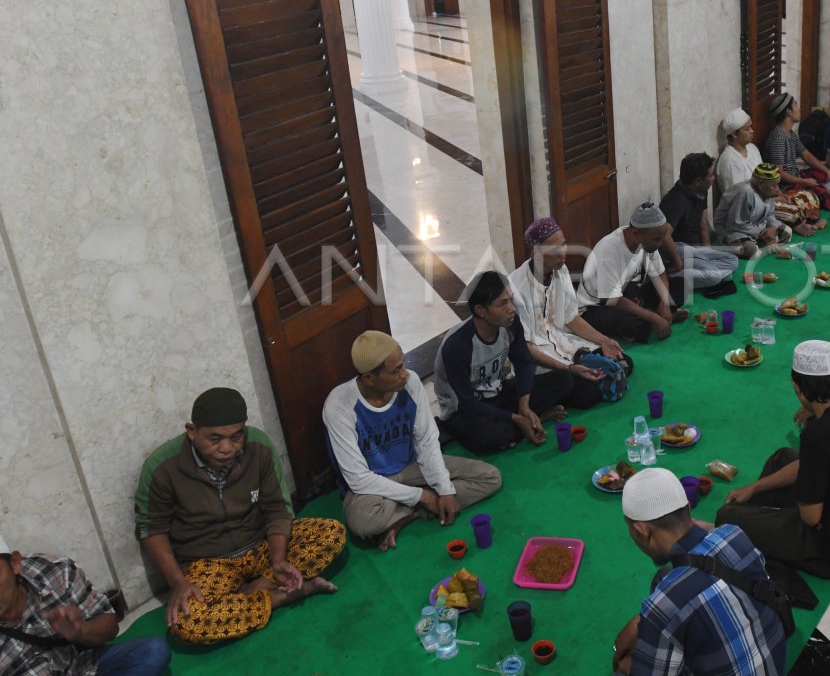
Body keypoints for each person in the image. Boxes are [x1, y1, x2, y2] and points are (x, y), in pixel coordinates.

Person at [136, 388, 345, 644]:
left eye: (236, 437)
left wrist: (278, 559)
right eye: (215, 438)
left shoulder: (259, 446)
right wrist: (178, 583)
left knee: (332, 532)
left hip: (262, 547)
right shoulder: (162, 467)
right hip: (210, 563)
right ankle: (282, 596)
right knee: (188, 622)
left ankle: (253, 590)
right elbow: (152, 530)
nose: (226, 448)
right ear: (192, 432)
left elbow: (277, 508)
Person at [715, 341, 830, 578]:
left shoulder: (818, 434)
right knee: (782, 458)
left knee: (727, 517)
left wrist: (805, 503)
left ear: (797, 387)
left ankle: (754, 526)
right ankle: (760, 519)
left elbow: (810, 517)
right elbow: (808, 465)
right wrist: (755, 487)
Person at [323, 331, 502, 551]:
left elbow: (427, 441)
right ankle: (424, 507)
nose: (405, 374)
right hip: (373, 485)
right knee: (363, 524)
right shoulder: (339, 405)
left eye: (403, 363)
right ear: (369, 378)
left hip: (412, 468)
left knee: (489, 477)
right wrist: (423, 496)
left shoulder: (411, 383)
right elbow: (358, 478)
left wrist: (444, 490)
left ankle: (407, 516)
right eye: (396, 370)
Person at [611, 469, 787, 676]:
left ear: (642, 530)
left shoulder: (663, 606)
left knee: (625, 669)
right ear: (687, 508)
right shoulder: (734, 534)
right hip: (775, 663)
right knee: (665, 577)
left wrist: (625, 659)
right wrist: (641, 621)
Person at [434, 271, 573, 453]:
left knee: (564, 379)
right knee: (489, 436)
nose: (512, 309)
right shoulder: (456, 346)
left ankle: (525, 421)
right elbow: (465, 403)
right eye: (503, 303)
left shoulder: (509, 324)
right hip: (466, 410)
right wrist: (516, 418)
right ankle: (534, 420)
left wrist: (523, 406)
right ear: (480, 310)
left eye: (511, 300)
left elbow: (524, 362)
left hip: (499, 395)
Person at [0, 532, 170, 676]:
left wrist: (80, 630)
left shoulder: (52, 570)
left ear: (14, 563)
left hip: (84, 667)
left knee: (154, 651)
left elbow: (110, 626)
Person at [509, 217, 632, 408]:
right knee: (588, 393)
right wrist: (569, 368)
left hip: (566, 345)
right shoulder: (517, 289)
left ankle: (584, 367)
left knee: (623, 361)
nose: (563, 253)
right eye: (555, 248)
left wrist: (604, 341)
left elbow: (571, 318)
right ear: (536, 254)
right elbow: (525, 348)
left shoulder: (561, 270)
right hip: (541, 361)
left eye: (564, 245)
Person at [577, 203, 689, 342]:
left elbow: (660, 274)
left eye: (662, 238)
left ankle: (654, 313)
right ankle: (650, 316)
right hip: (597, 306)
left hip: (627, 292)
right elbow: (613, 300)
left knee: (681, 286)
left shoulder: (649, 242)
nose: (661, 244)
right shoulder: (609, 251)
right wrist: (653, 317)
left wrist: (664, 304)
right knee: (633, 326)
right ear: (636, 234)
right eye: (657, 239)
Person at [659, 153, 742, 297]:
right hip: (677, 248)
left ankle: (702, 275)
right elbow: (664, 236)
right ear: (698, 181)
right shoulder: (675, 200)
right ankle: (670, 277)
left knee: (732, 261)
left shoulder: (701, 191)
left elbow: (703, 224)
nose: (713, 178)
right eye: (710, 176)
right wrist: (677, 262)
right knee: (714, 276)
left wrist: (708, 252)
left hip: (693, 250)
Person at [761, 92, 830, 207]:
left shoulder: (790, 134)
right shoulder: (778, 138)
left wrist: (827, 170)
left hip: (796, 177)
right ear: (788, 112)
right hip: (787, 186)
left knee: (826, 172)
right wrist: (804, 182)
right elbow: (779, 174)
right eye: (796, 105)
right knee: (823, 197)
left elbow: (806, 155)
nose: (799, 109)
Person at [714, 163, 790, 259]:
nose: (777, 189)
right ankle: (761, 244)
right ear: (762, 185)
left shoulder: (766, 190)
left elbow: (770, 214)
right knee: (751, 250)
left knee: (787, 232)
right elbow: (737, 225)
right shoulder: (745, 192)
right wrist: (764, 233)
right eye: (774, 186)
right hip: (733, 231)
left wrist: (772, 228)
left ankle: (764, 244)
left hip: (757, 227)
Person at [715, 108, 763, 194]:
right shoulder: (729, 161)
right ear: (734, 134)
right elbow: (739, 198)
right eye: (747, 129)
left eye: (751, 127)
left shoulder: (752, 148)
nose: (752, 131)